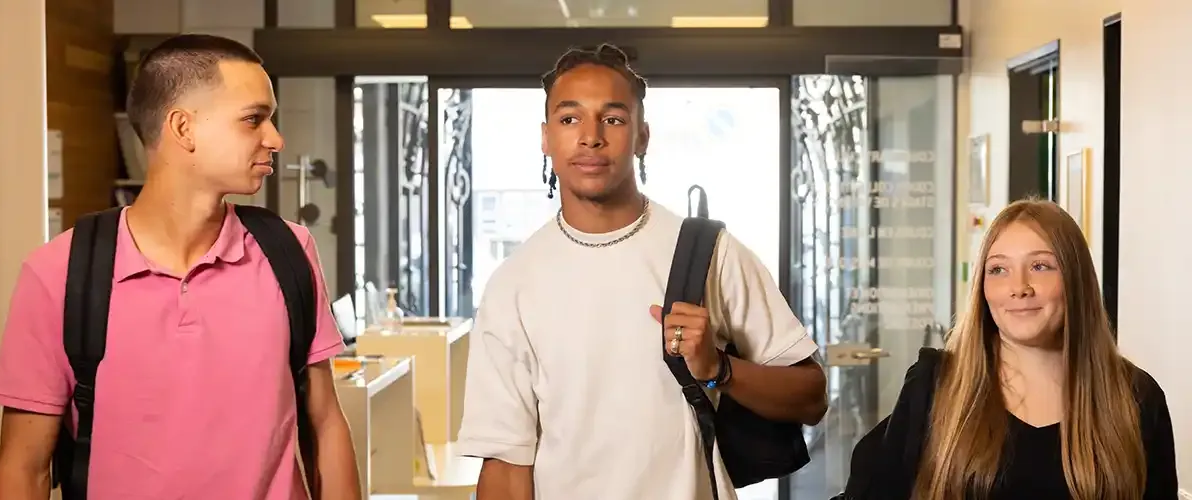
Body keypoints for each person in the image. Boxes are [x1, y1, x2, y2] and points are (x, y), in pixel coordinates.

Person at [0, 34, 361, 499]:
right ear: (183, 128)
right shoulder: (60, 272)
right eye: (254, 120)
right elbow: (23, 469)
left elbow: (325, 423)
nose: (276, 139)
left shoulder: (289, 249)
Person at [455, 44, 828, 500]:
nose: (590, 137)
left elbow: (811, 396)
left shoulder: (708, 253)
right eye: (569, 119)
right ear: (545, 137)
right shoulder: (514, 284)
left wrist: (719, 369)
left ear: (642, 136)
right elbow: (506, 465)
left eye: (613, 119)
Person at [841, 199, 1178, 500]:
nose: (1019, 288)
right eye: (998, 269)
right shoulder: (935, 387)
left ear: (1076, 279)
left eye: (1040, 266)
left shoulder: (1135, 397)